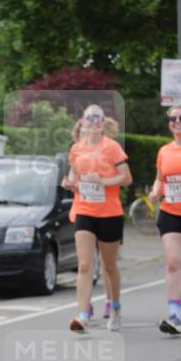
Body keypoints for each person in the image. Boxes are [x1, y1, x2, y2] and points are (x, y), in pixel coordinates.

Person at [61, 104, 132, 332]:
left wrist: (103, 181)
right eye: (88, 117)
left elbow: (126, 178)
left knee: (109, 265)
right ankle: (82, 314)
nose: (92, 121)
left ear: (103, 123)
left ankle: (116, 307)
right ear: (82, 122)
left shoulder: (112, 148)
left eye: (97, 117)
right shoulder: (77, 149)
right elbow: (74, 175)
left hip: (109, 212)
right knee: (84, 264)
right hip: (84, 209)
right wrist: (70, 183)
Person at [149, 103, 181, 335]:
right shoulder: (164, 151)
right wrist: (154, 190)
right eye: (173, 119)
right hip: (171, 212)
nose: (177, 122)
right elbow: (160, 178)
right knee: (172, 262)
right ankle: (174, 315)